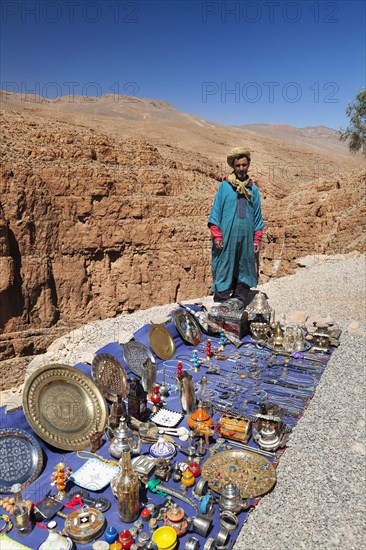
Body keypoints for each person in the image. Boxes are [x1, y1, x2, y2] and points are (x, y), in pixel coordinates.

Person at [208, 146, 264, 304]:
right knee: (224, 265)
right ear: (233, 166)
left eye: (244, 165)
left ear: (248, 165)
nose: (241, 168)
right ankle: (221, 301)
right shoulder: (224, 187)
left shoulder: (253, 189)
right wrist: (217, 234)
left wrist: (257, 238)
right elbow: (216, 211)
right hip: (226, 238)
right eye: (238, 165)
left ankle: (239, 300)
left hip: (246, 238)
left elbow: (257, 216)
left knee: (244, 265)